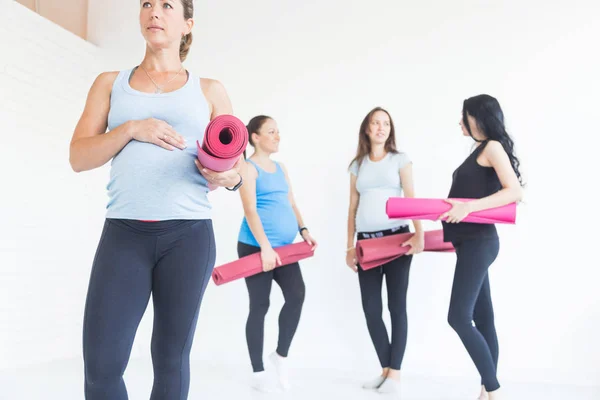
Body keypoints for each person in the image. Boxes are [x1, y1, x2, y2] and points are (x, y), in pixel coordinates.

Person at [68, 1, 244, 399]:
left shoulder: (210, 90)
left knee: (169, 362)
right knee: (101, 367)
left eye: (167, 5)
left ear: (187, 24)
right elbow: (79, 157)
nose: (155, 11)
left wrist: (225, 176)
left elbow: (239, 170)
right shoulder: (110, 83)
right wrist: (132, 128)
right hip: (124, 235)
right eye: (147, 3)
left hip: (188, 237)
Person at [439, 94, 524, 400]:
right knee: (484, 318)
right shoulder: (478, 150)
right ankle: (487, 390)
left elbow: (513, 191)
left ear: (477, 117)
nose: (460, 121)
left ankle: (494, 389)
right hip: (470, 244)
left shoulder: (492, 147)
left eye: (464, 115)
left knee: (458, 317)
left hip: (480, 242)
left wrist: (467, 208)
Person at [345, 107, 424, 395]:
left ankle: (396, 374)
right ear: (366, 128)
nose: (381, 128)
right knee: (371, 308)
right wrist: (349, 246)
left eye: (386, 123)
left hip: (398, 240)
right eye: (376, 123)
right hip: (366, 243)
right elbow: (352, 207)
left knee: (396, 306)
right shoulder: (357, 164)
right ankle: (385, 370)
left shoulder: (400, 160)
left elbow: (412, 198)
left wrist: (419, 234)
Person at [237, 115, 317, 392]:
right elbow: (250, 210)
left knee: (296, 295)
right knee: (260, 305)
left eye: (278, 131)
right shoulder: (247, 168)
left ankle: (280, 355)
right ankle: (258, 372)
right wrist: (265, 248)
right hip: (255, 246)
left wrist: (304, 230)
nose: (277, 136)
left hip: (284, 248)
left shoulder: (281, 168)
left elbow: (291, 202)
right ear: (255, 137)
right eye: (271, 132)